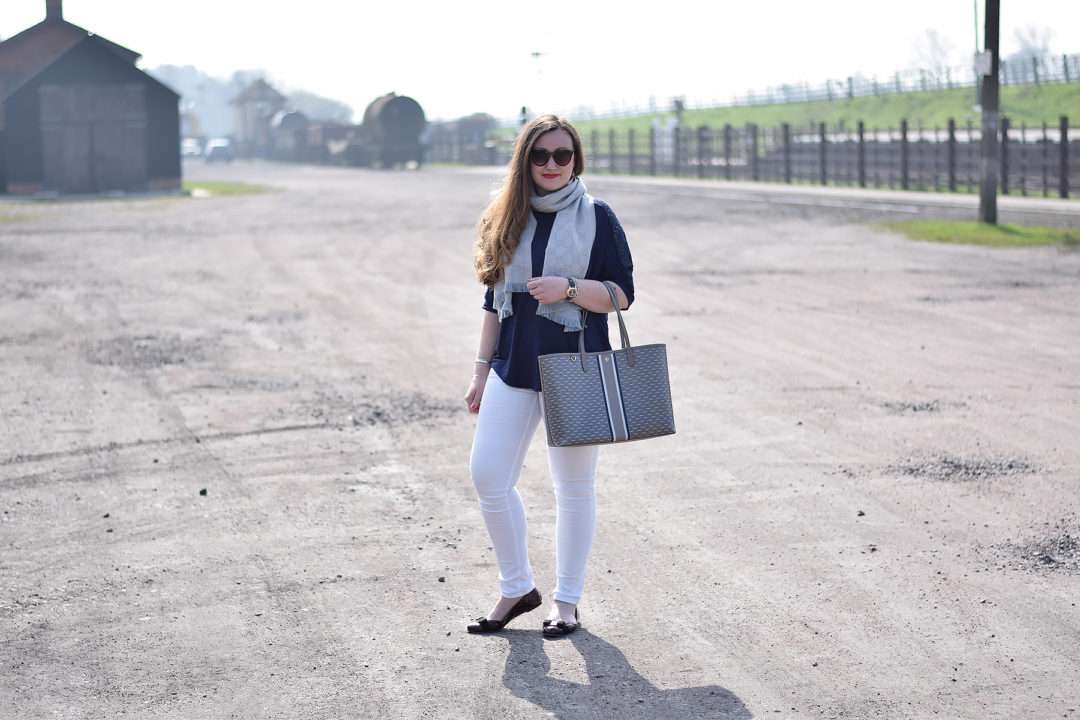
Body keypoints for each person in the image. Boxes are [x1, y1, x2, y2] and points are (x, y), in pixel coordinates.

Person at [464, 114, 634, 637]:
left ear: (576, 159)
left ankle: (566, 602)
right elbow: (495, 301)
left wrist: (567, 288)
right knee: (489, 476)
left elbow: (621, 295)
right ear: (525, 162)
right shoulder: (507, 217)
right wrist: (478, 370)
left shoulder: (598, 218)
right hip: (511, 366)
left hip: (576, 365)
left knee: (574, 489)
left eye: (563, 155)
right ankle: (517, 587)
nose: (553, 165)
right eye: (541, 156)